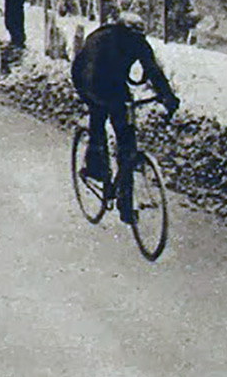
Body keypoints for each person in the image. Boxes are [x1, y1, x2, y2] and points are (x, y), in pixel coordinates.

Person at [71, 12, 180, 223]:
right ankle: (96, 166)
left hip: (114, 82)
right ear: (121, 32)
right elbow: (89, 74)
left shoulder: (138, 42)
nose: (135, 41)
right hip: (88, 78)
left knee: (127, 143)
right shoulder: (102, 40)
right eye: (131, 36)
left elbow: (152, 69)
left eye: (138, 37)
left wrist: (168, 97)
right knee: (98, 117)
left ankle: (124, 199)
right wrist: (105, 102)